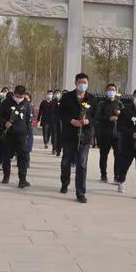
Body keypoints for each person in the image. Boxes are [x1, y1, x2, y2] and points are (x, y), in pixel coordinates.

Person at [59, 73, 96, 203]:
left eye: (85, 82)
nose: (83, 84)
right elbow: (60, 114)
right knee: (66, 162)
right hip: (69, 135)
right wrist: (71, 121)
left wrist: (88, 122)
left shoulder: (91, 99)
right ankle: (65, 182)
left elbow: (95, 117)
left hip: (85, 136)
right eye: (80, 82)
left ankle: (80, 192)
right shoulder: (67, 97)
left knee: (81, 163)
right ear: (75, 83)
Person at [0, 85, 32, 188]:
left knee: (22, 158)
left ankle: (22, 180)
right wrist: (5, 123)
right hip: (9, 134)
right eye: (17, 96)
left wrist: (28, 134)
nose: (19, 98)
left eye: (21, 96)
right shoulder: (6, 102)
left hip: (21, 135)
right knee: (6, 156)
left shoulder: (26, 104)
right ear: (14, 93)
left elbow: (28, 121)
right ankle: (6, 176)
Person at [95, 84, 124, 183]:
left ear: (116, 92)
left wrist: (120, 116)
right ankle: (103, 175)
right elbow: (97, 116)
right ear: (106, 91)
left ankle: (117, 176)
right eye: (109, 90)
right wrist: (108, 118)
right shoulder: (102, 103)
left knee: (118, 155)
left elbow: (125, 118)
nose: (111, 91)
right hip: (104, 133)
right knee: (103, 155)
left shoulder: (120, 104)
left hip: (117, 134)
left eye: (113, 90)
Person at [24, 92, 34, 169]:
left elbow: (33, 116)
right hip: (20, 128)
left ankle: (27, 162)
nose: (26, 100)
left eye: (27, 98)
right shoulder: (20, 107)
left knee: (27, 147)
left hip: (28, 129)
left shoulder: (31, 107)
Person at [50, 89, 62, 156]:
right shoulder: (52, 102)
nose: (57, 94)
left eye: (58, 93)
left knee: (60, 135)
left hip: (60, 121)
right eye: (56, 93)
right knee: (54, 135)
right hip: (53, 121)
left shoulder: (62, 101)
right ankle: (54, 148)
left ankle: (58, 150)